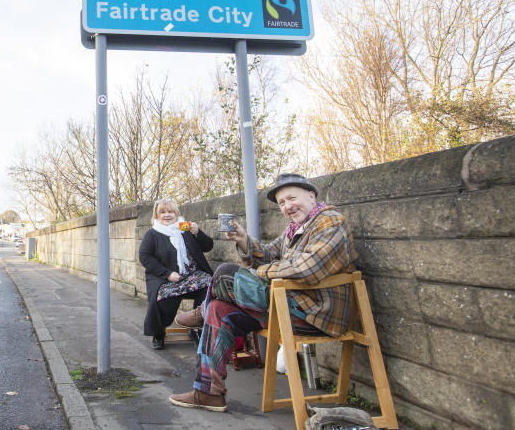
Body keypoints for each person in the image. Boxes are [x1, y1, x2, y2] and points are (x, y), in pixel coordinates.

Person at [168, 173, 357, 411]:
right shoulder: (295, 229)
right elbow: (267, 254)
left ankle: (201, 310)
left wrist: (259, 274)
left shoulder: (330, 222)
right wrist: (244, 239)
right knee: (219, 309)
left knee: (226, 273)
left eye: (291, 198)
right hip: (287, 306)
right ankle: (208, 392)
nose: (288, 206)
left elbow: (307, 269)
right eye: (282, 203)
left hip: (314, 314)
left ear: (311, 196)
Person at [138, 198, 215, 350]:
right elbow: (145, 257)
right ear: (156, 215)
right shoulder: (152, 234)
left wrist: (198, 232)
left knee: (208, 285)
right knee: (165, 300)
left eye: (170, 212)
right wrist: (167, 274)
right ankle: (159, 332)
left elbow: (208, 246)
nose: (167, 215)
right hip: (167, 278)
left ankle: (197, 328)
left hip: (192, 275)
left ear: (176, 213)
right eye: (163, 212)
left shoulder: (185, 230)